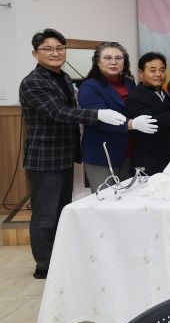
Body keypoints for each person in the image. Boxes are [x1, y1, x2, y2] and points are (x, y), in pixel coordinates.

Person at [19, 29, 127, 279]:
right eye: (48, 49)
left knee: (61, 211)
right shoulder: (33, 81)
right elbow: (57, 112)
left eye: (60, 48)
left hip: (65, 155)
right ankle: (44, 265)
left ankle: (59, 259)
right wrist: (97, 114)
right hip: (45, 157)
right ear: (35, 53)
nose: (55, 53)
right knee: (45, 215)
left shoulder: (64, 77)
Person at [78, 42, 158, 193]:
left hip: (130, 152)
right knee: (106, 198)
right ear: (97, 61)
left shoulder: (129, 83)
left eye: (118, 58)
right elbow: (97, 120)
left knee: (128, 196)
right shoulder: (89, 87)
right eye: (108, 58)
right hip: (102, 154)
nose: (113, 62)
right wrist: (131, 124)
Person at [125, 52, 170, 175]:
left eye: (162, 70)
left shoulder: (163, 92)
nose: (158, 74)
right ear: (141, 73)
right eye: (152, 70)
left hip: (168, 158)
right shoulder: (136, 97)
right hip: (149, 162)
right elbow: (150, 124)